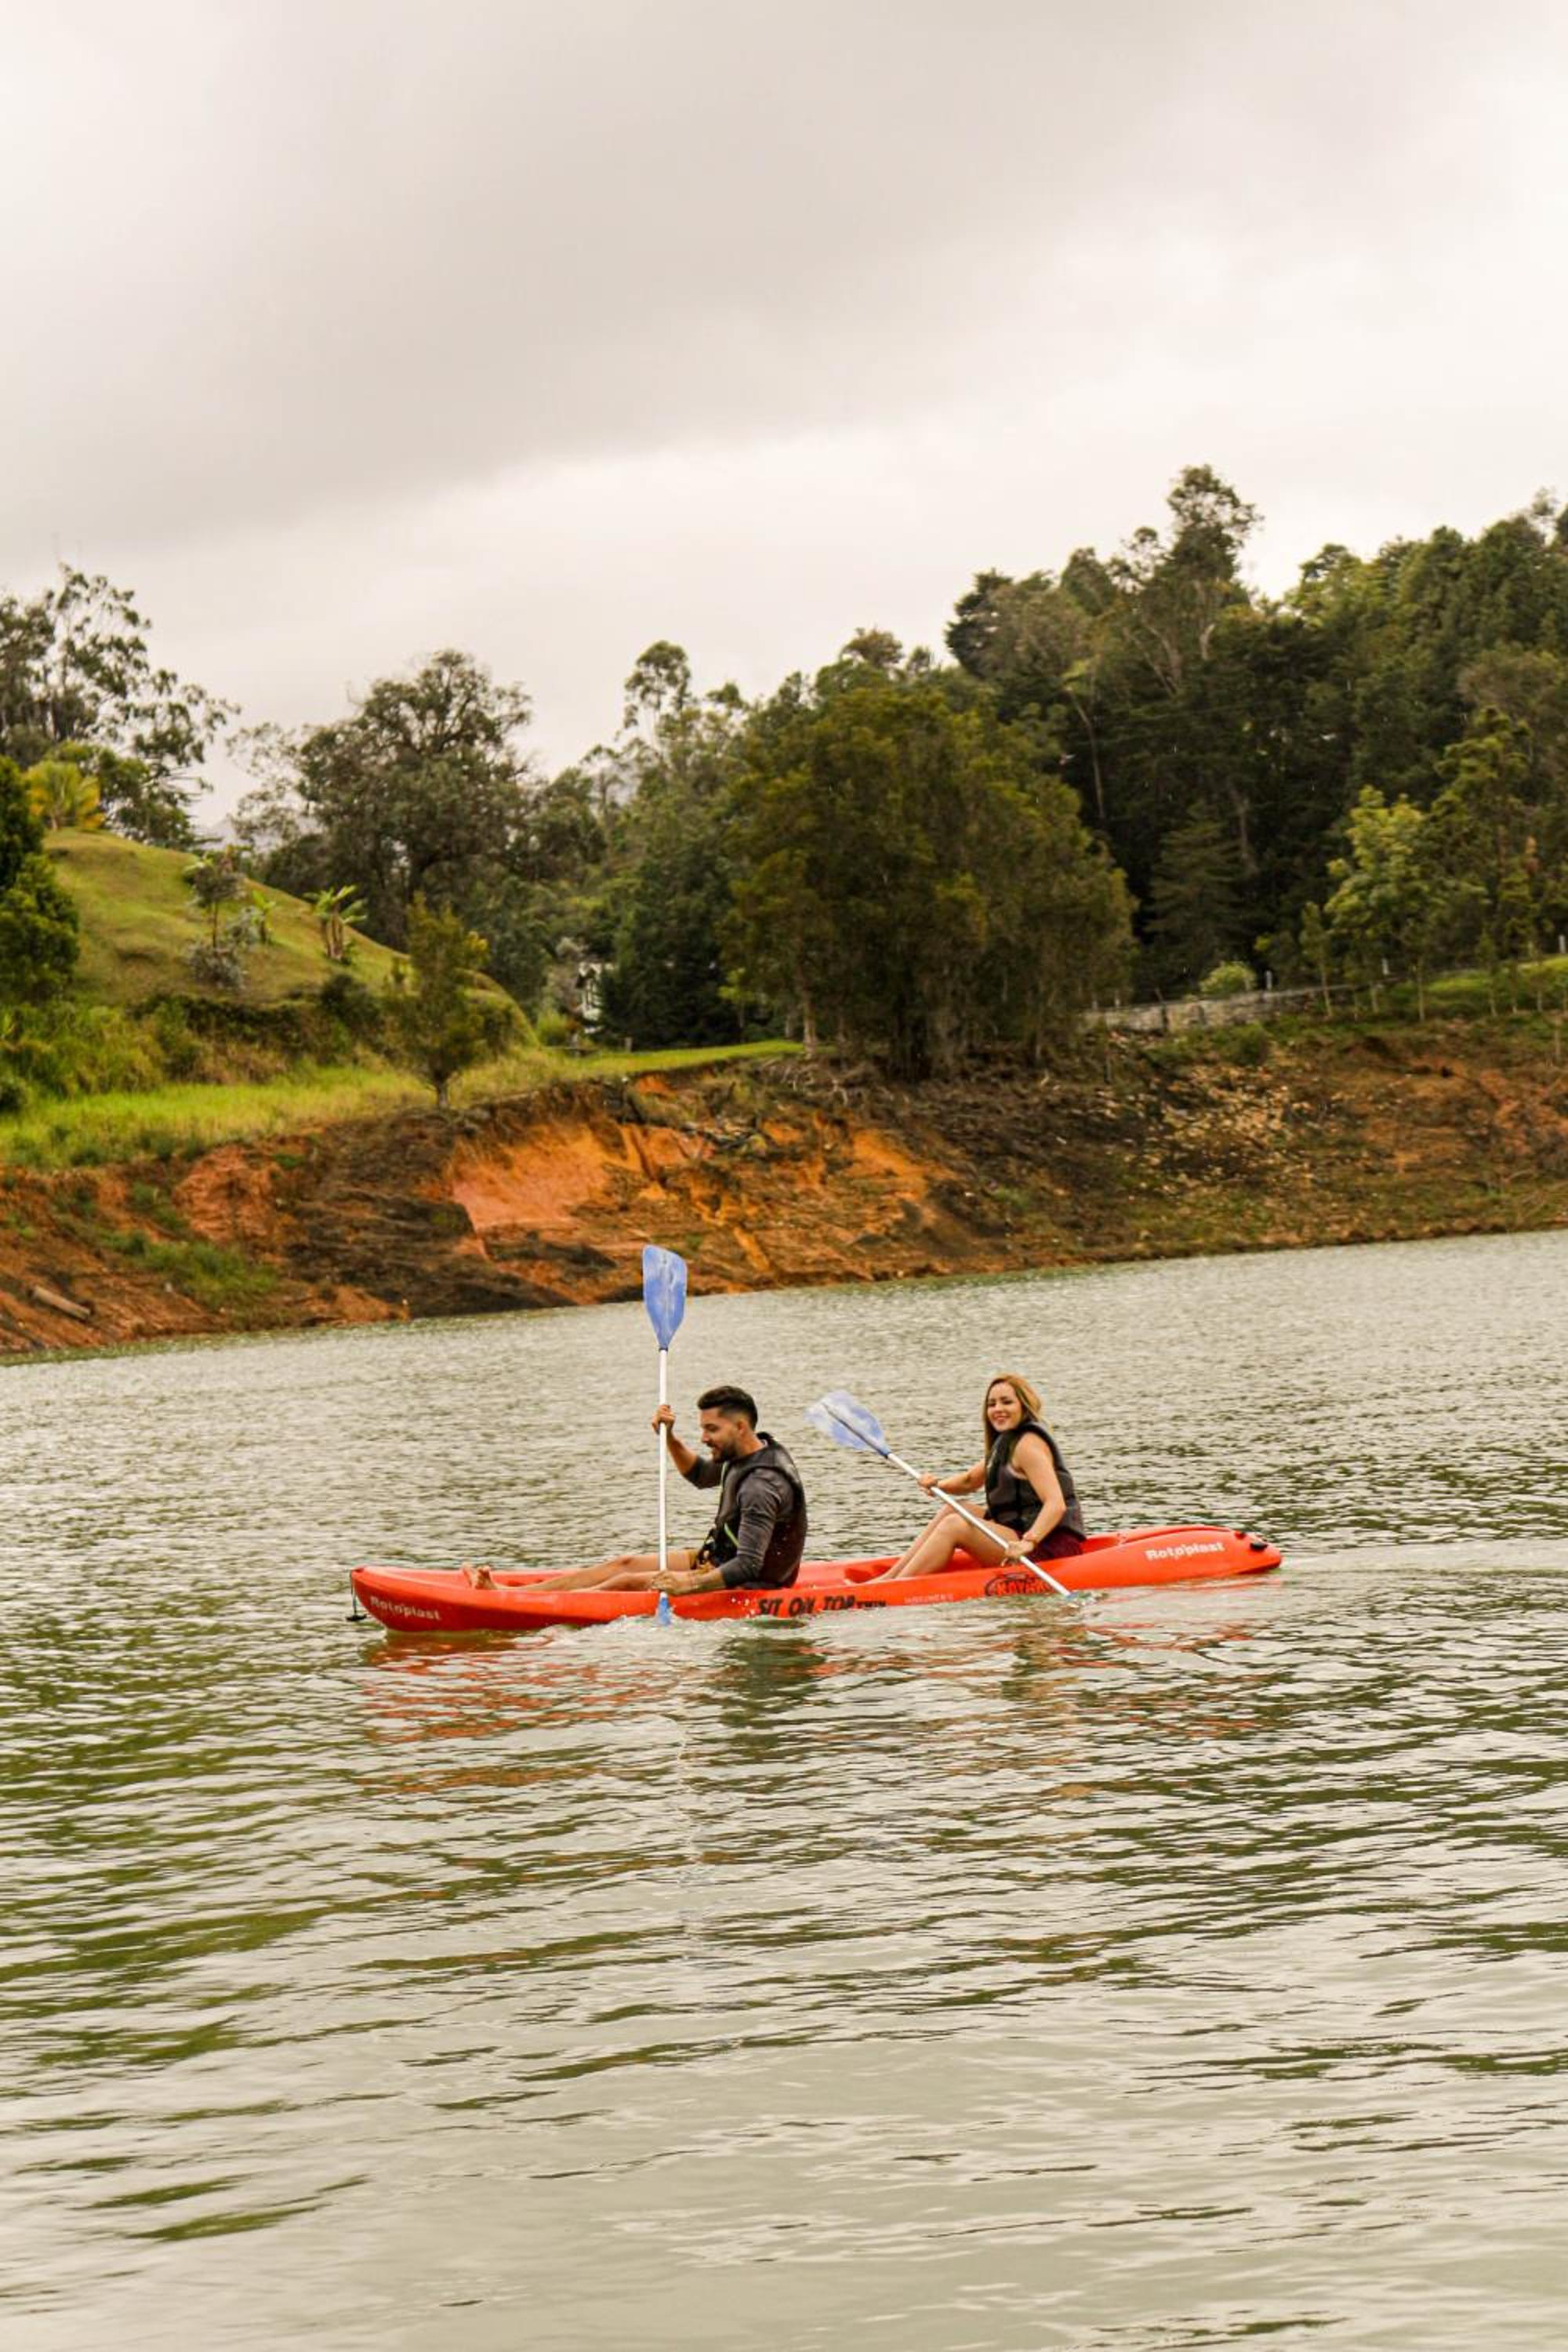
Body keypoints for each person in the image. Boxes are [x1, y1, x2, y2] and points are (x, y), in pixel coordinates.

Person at [463, 1384, 808, 1596]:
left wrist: (686, 1585)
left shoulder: (763, 1486)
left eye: (711, 1429)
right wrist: (669, 1438)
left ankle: (516, 1603)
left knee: (623, 1585)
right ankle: (512, 1593)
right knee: (623, 1564)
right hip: (720, 1557)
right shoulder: (747, 1451)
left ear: (740, 1426)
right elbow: (702, 1475)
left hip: (754, 1583)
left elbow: (749, 1565)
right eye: (702, 1429)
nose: (704, 1438)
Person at [866, 1373, 1086, 1583]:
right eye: (992, 1404)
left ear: (1023, 1406)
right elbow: (970, 1481)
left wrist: (1029, 1542)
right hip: (1020, 1535)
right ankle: (889, 1578)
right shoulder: (1006, 1442)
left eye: (1006, 1402)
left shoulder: (1027, 1445)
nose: (998, 1409)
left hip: (1048, 1548)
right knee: (953, 1509)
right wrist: (937, 1485)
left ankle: (892, 1589)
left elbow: (1056, 1504)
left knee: (955, 1525)